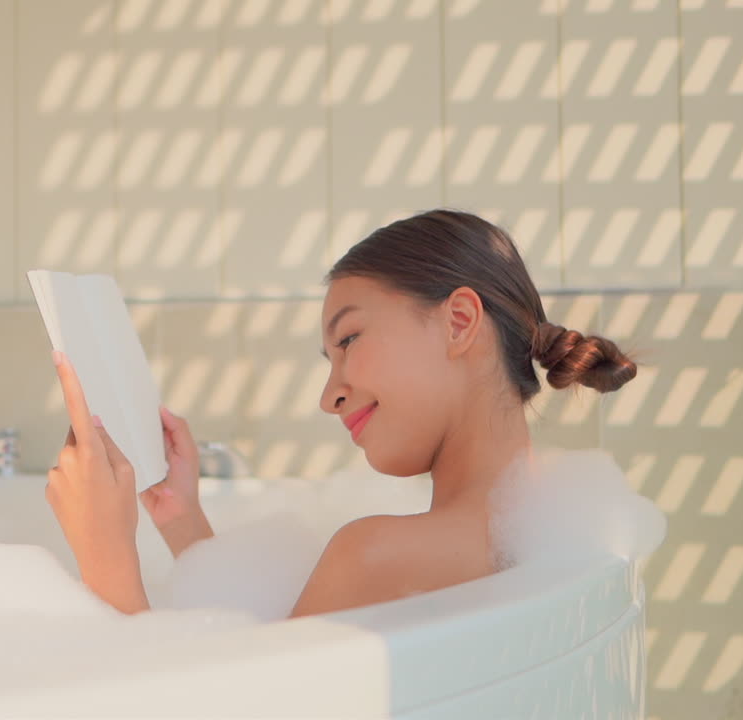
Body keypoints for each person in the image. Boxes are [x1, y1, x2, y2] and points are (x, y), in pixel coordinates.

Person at [44, 209, 638, 618]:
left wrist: (107, 559)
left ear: (460, 322)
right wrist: (184, 522)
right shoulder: (559, 537)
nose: (329, 396)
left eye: (348, 339)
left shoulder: (377, 556)